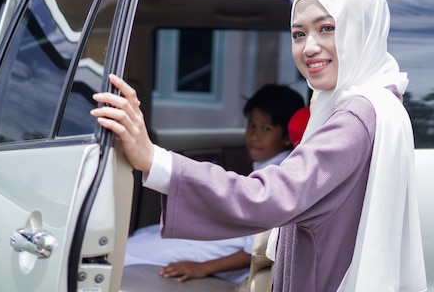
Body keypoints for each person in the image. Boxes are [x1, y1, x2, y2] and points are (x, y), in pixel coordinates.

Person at [91, 0, 427, 291]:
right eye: (299, 34)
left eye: (327, 28)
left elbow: (272, 197)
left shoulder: (355, 116)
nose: (309, 47)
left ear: (361, 30)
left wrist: (155, 161)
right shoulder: (378, 103)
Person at [123, 84, 305, 284]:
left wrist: (203, 268)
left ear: (287, 137)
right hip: (221, 236)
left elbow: (255, 250)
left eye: (266, 128)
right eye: (252, 125)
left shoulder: (279, 175)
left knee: (127, 253)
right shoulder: (269, 164)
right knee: (143, 235)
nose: (254, 135)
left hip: (223, 248)